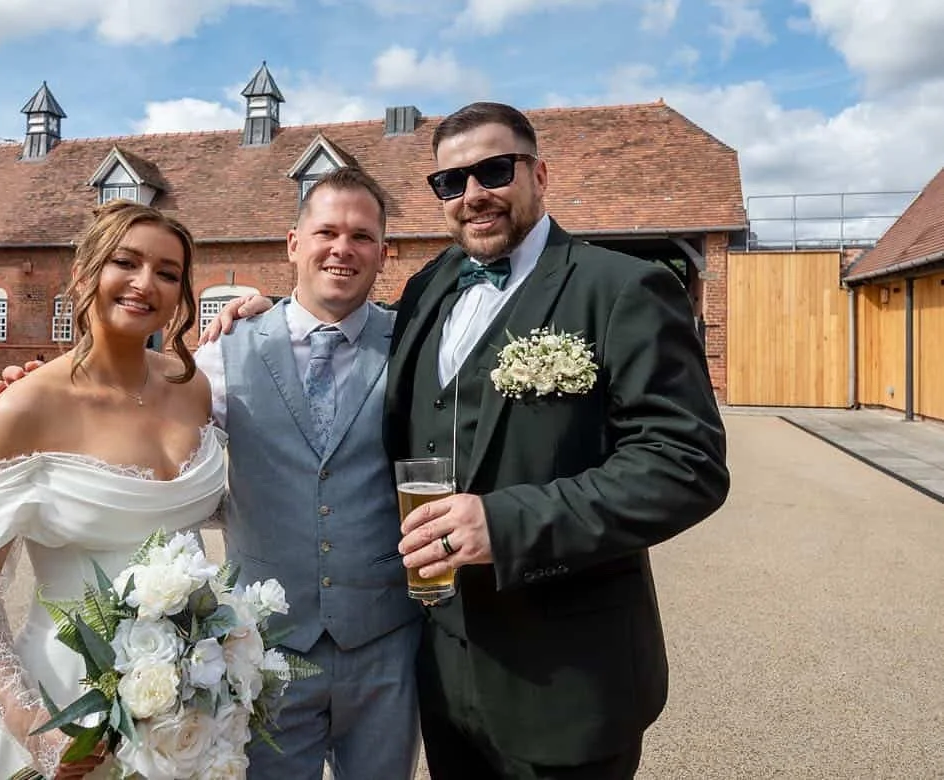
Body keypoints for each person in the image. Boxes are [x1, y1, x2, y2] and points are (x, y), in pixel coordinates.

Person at [208, 101, 730, 779]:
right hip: (441, 673)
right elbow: (334, 316)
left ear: (539, 172)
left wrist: (504, 522)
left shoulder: (623, 288)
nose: (474, 195)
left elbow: (685, 466)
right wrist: (267, 307)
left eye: (494, 171)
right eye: (452, 182)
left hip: (566, 673)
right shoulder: (431, 288)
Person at [0, 168, 423, 780]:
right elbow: (128, 402)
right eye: (325, 231)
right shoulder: (215, 360)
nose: (342, 248)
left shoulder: (420, 345)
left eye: (362, 235)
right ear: (292, 243)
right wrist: (35, 391)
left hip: (385, 644)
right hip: (264, 649)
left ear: (383, 249)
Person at [0, 200, 226, 779]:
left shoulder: (192, 388)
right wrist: (30, 722)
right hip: (67, 695)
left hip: (188, 696)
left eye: (167, 272)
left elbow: (194, 511)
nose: (145, 284)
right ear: (84, 273)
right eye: (126, 263)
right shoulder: (23, 406)